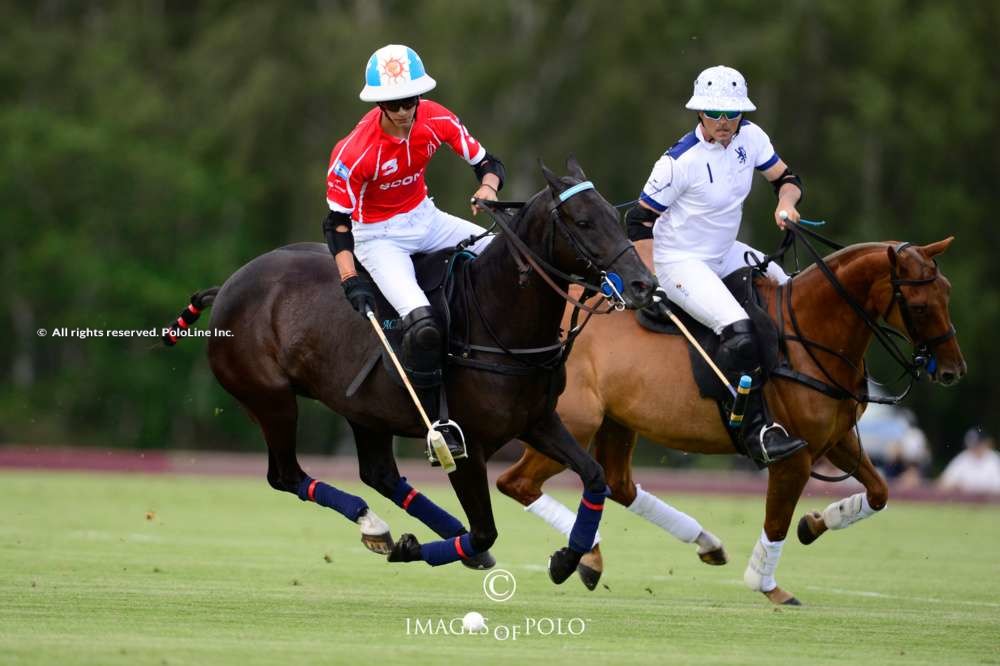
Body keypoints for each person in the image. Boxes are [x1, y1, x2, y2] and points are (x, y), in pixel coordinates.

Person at [323, 44, 506, 463]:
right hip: (377, 237)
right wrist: (350, 278)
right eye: (393, 103)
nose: (404, 110)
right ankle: (436, 426)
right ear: (379, 103)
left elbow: (488, 161)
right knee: (422, 324)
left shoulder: (436, 117)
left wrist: (488, 188)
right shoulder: (354, 152)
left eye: (410, 100)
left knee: (507, 258)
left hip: (427, 218)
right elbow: (335, 225)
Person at [627, 65, 806, 466]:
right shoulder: (677, 162)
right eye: (715, 114)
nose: (724, 123)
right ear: (699, 113)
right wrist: (651, 275)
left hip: (725, 251)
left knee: (793, 294)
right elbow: (638, 221)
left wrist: (785, 204)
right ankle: (755, 430)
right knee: (740, 331)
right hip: (680, 260)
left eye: (732, 114)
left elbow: (787, 178)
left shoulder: (753, 138)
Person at [938, 428, 1000, 494]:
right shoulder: (963, 458)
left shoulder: (995, 459)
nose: (975, 448)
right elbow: (943, 483)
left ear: (985, 443)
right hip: (965, 501)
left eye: (977, 444)